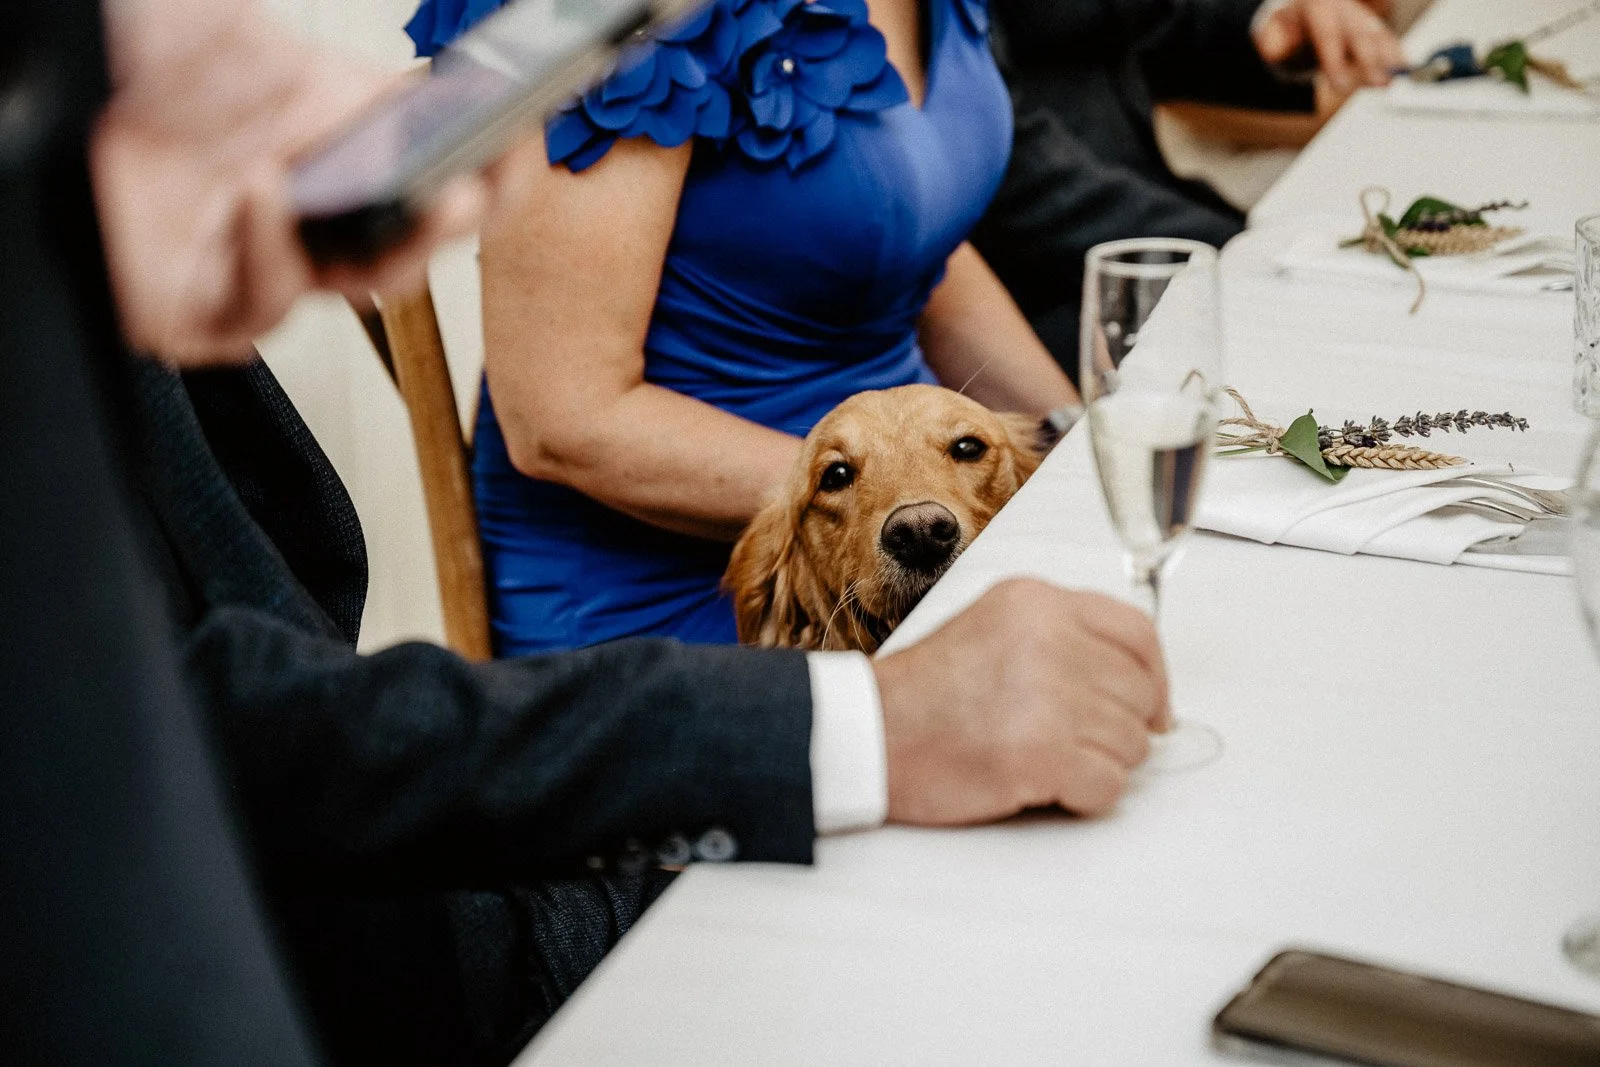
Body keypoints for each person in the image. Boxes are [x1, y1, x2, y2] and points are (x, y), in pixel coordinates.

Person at [6, 1, 1173, 1064]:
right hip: (645, 618)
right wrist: (867, 704)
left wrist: (1064, 448)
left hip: (364, 825)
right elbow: (556, 428)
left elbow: (917, 227)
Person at [406, 0, 1082, 655]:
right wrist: (895, 500)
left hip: (923, 509)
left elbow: (913, 232)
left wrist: (1075, 440)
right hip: (670, 595)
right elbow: (562, 419)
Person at [973, 0, 1405, 373]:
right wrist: (1233, 247)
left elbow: (1150, 20)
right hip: (1038, 282)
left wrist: (1271, 22)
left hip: (1147, 194)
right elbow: (1017, 174)